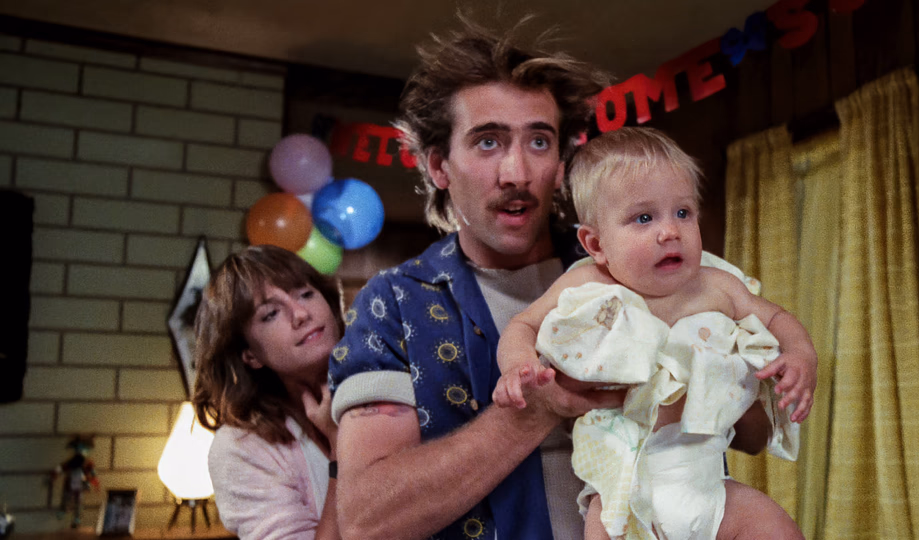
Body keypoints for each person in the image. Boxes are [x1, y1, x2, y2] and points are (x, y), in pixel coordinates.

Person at [327, 15, 626, 540]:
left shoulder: (621, 270)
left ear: (561, 164)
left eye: (539, 142)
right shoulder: (391, 306)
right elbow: (367, 520)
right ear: (439, 166)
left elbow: (741, 430)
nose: (517, 173)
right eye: (488, 142)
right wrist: (534, 410)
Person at [493, 127, 816, 539]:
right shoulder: (588, 286)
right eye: (644, 218)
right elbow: (523, 325)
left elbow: (776, 318)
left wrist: (801, 354)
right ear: (596, 244)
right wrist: (518, 366)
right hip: (620, 495)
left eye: (683, 212)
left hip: (708, 484)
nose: (670, 231)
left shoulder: (715, 285)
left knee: (779, 529)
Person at [192, 245, 343, 540]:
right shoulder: (241, 449)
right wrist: (341, 450)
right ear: (250, 355)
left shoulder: (385, 382)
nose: (301, 313)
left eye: (305, 294)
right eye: (271, 313)